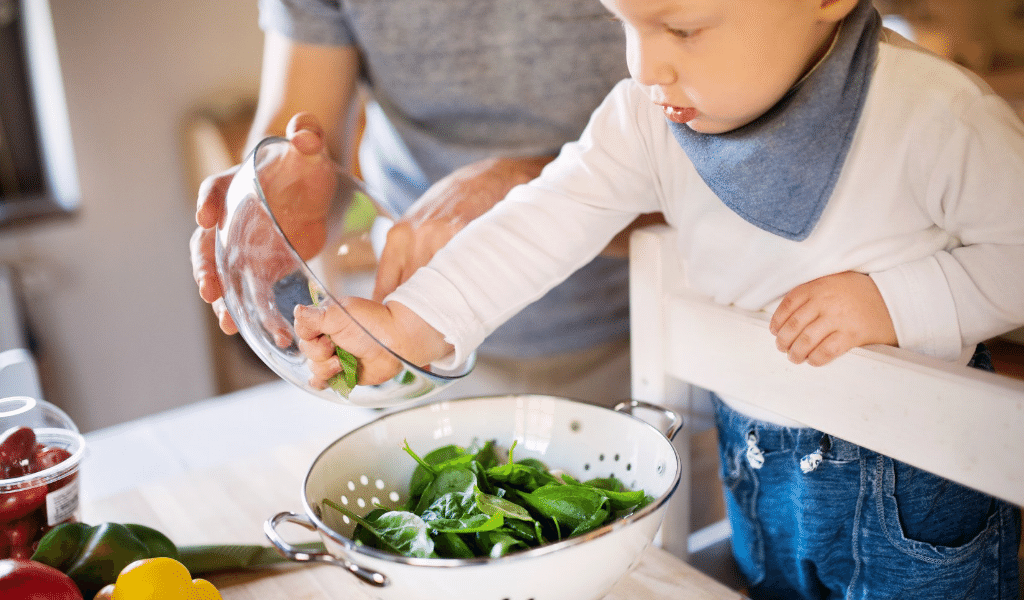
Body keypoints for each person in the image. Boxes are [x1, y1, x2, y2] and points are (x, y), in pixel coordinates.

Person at [292, 0, 1024, 597]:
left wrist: (893, 304)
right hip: (758, 474)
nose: (646, 65)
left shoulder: (935, 117)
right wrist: (410, 323)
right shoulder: (649, 113)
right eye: (623, 24)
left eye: (682, 28)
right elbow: (544, 219)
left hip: (913, 496)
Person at [189, 0, 660, 408]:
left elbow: (687, 175)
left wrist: (526, 190)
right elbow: (300, 128)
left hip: (655, 335)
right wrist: (273, 194)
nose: (655, 67)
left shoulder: (646, 110)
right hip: (423, 360)